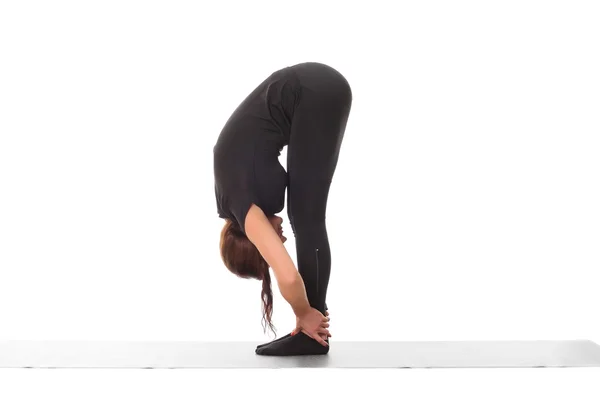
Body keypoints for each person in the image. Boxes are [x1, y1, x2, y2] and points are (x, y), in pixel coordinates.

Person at [213, 61, 352, 356]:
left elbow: (287, 276)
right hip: (315, 88)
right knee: (304, 216)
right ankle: (312, 330)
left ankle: (310, 331)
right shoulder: (235, 191)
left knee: (306, 218)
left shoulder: (243, 207)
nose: (281, 241)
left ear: (253, 244)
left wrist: (303, 312)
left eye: (269, 248)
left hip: (312, 91)